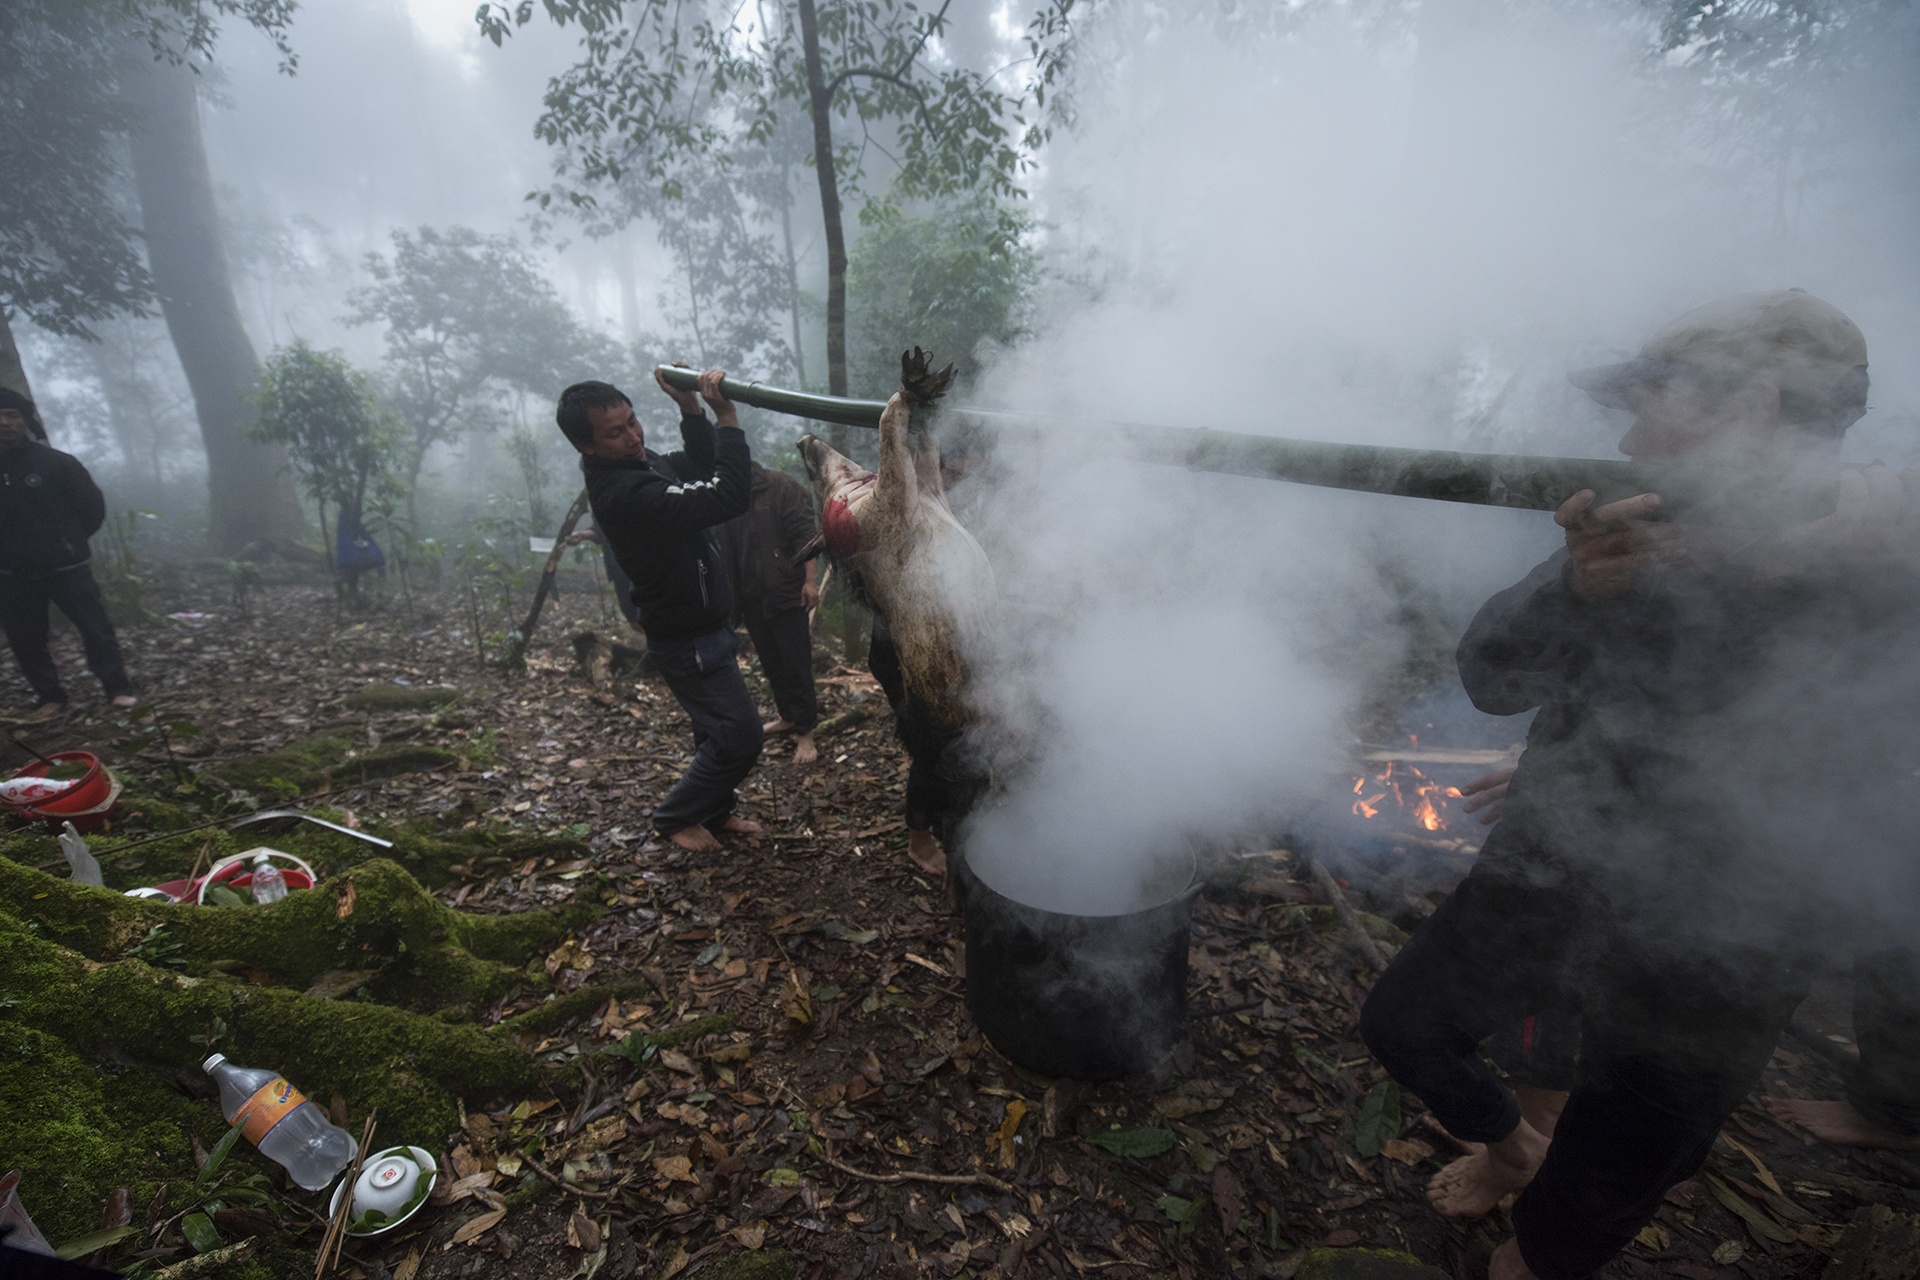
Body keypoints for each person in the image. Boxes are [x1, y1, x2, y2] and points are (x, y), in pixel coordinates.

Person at [1358, 291, 1919, 1280]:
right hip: (1554, 857)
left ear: (1748, 402)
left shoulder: (1888, 549)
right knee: (1407, 1023)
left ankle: (1541, 1250)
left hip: (1728, 929)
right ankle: (1512, 1143)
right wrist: (1576, 589)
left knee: (1626, 1139)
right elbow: (1493, 677)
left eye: (1650, 398)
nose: (1624, 433)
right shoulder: (1648, 524)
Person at [557, 369, 763, 854]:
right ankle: (676, 815)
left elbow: (695, 463)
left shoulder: (638, 465)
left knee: (713, 729)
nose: (633, 437)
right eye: (615, 432)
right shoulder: (625, 494)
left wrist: (692, 411)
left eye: (633, 421)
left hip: (705, 625)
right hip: (686, 637)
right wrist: (727, 418)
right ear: (587, 446)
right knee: (741, 736)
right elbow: (728, 495)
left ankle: (713, 811)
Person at [0, 388, 136, 718]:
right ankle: (50, 696)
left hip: (66, 567)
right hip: (10, 574)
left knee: (95, 629)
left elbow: (91, 507)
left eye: (12, 416)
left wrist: (69, 543)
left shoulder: (57, 463)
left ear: (25, 422)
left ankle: (117, 688)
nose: (4, 423)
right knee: (25, 639)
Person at [719, 461, 824, 764]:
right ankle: (788, 717)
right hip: (749, 597)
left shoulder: (781, 487)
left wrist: (810, 581)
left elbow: (806, 536)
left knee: (796, 664)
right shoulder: (726, 493)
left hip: (786, 593)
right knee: (771, 663)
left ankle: (806, 735)